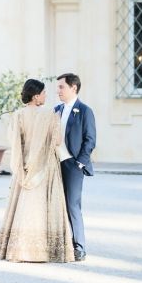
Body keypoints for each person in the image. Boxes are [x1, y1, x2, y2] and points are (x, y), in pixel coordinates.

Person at [0, 78, 75, 263]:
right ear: (36, 95)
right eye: (44, 93)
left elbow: (15, 142)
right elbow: (57, 141)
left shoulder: (18, 115)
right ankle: (45, 251)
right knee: (43, 206)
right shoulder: (50, 115)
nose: (47, 95)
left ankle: (18, 249)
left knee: (23, 205)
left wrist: (23, 163)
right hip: (45, 167)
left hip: (24, 168)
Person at [55, 72, 96, 261]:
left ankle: (79, 247)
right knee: (57, 204)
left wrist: (80, 162)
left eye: (61, 87)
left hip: (73, 164)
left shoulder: (85, 111)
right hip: (55, 164)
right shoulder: (56, 109)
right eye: (58, 87)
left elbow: (90, 140)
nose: (58, 91)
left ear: (74, 88)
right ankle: (61, 244)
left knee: (73, 205)